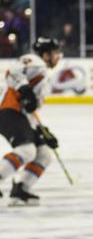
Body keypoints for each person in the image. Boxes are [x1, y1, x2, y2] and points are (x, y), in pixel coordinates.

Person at [0, 37, 61, 205]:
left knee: (44, 155)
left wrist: (41, 131)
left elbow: (30, 109)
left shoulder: (44, 76)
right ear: (46, 54)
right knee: (27, 150)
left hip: (20, 116)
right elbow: (12, 71)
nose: (58, 57)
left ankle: (21, 188)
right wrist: (24, 88)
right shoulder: (36, 62)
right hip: (8, 111)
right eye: (55, 53)